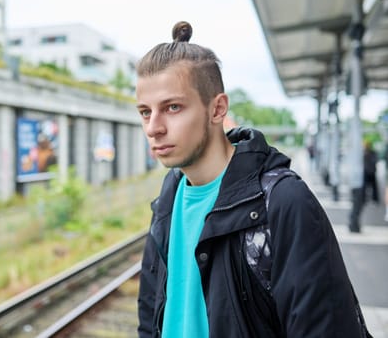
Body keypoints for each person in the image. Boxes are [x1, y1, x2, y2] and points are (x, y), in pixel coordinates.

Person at [135, 21, 370, 337]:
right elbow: (151, 315)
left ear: (217, 109)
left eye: (173, 107)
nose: (154, 127)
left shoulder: (283, 201)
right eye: (145, 112)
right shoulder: (168, 199)